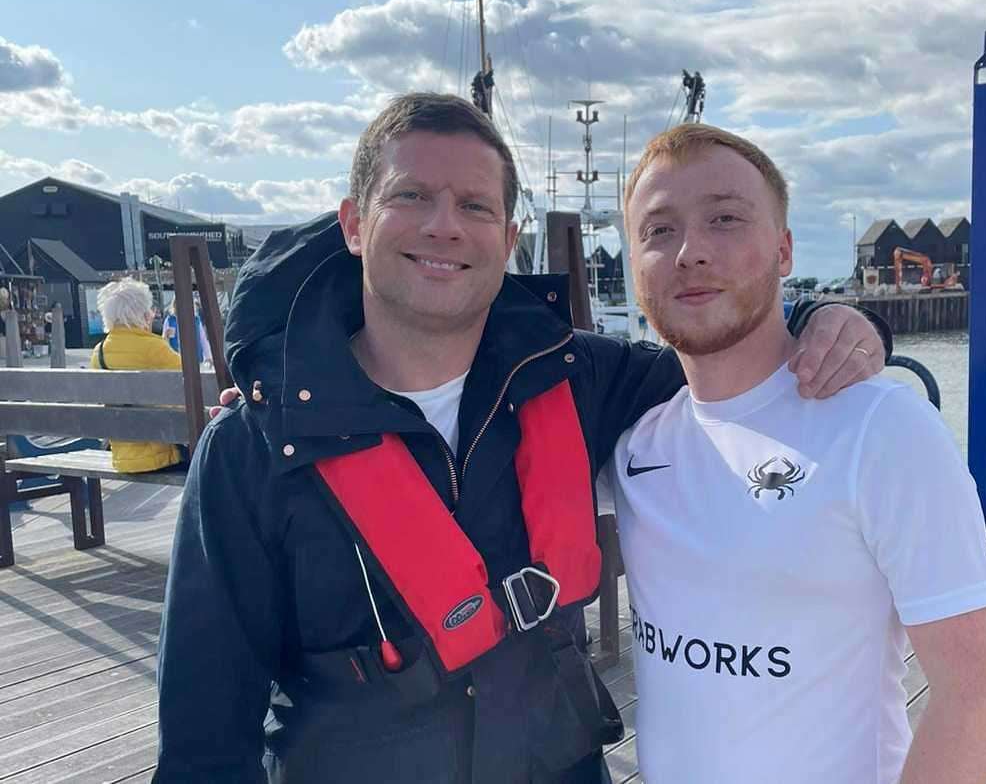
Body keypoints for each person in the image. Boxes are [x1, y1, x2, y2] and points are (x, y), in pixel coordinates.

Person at [155, 93, 890, 784]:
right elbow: (203, 737)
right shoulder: (254, 448)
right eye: (411, 196)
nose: (445, 225)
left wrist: (836, 322)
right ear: (352, 223)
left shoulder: (576, 378)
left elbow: (729, 354)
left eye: (475, 205)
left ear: (508, 239)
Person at [601, 123, 986, 783]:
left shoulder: (883, 428)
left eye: (726, 219)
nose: (691, 252)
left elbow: (975, 696)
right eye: (658, 230)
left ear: (785, 249)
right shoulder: (633, 442)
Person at [90, 278, 184, 473]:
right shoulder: (154, 348)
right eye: (150, 310)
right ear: (142, 315)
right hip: (161, 456)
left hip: (122, 458)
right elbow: (192, 387)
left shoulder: (99, 353)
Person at [161, 298, 212, 365]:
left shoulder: (196, 320)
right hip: (175, 360)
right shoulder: (169, 320)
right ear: (174, 306)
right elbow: (163, 340)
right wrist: (166, 335)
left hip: (196, 359)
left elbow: (203, 340)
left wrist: (209, 357)